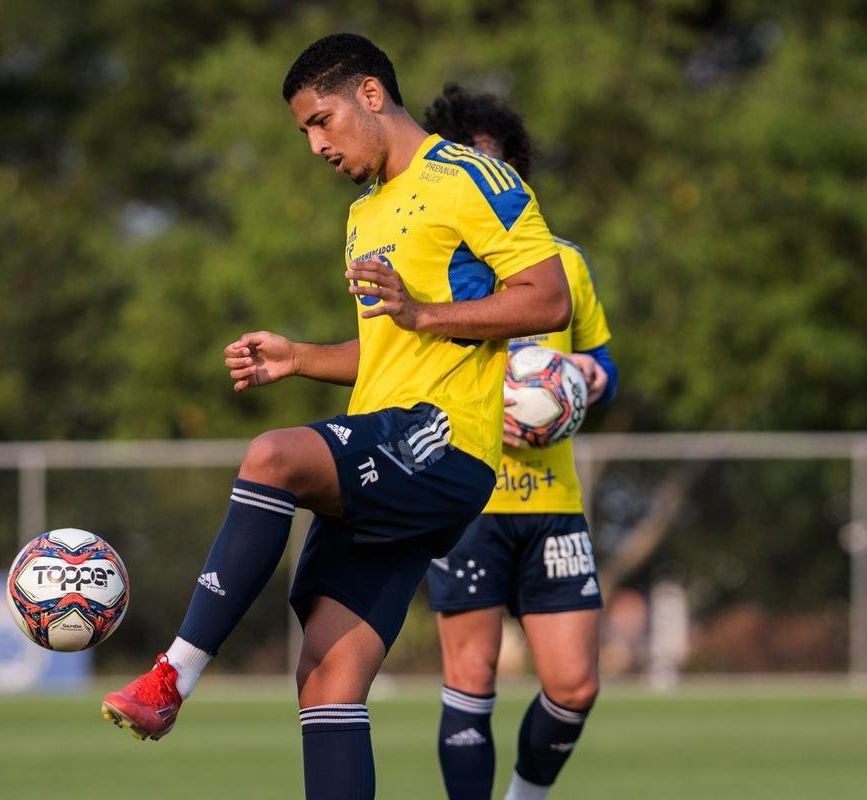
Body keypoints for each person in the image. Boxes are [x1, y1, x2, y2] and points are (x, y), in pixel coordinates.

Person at [100, 35, 572, 800]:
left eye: (322, 121)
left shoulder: (467, 175)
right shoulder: (363, 215)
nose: (316, 144)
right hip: (391, 450)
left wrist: (421, 309)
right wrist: (299, 358)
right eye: (304, 133)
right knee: (325, 679)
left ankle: (172, 676)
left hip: (443, 441)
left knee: (273, 458)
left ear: (372, 96)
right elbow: (391, 348)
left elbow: (549, 299)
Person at [423, 84, 618, 800]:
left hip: (554, 503)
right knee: (470, 678)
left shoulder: (561, 263)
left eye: (494, 168)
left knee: (575, 684)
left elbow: (604, 361)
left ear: (516, 174)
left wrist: (592, 378)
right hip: (469, 500)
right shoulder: (432, 269)